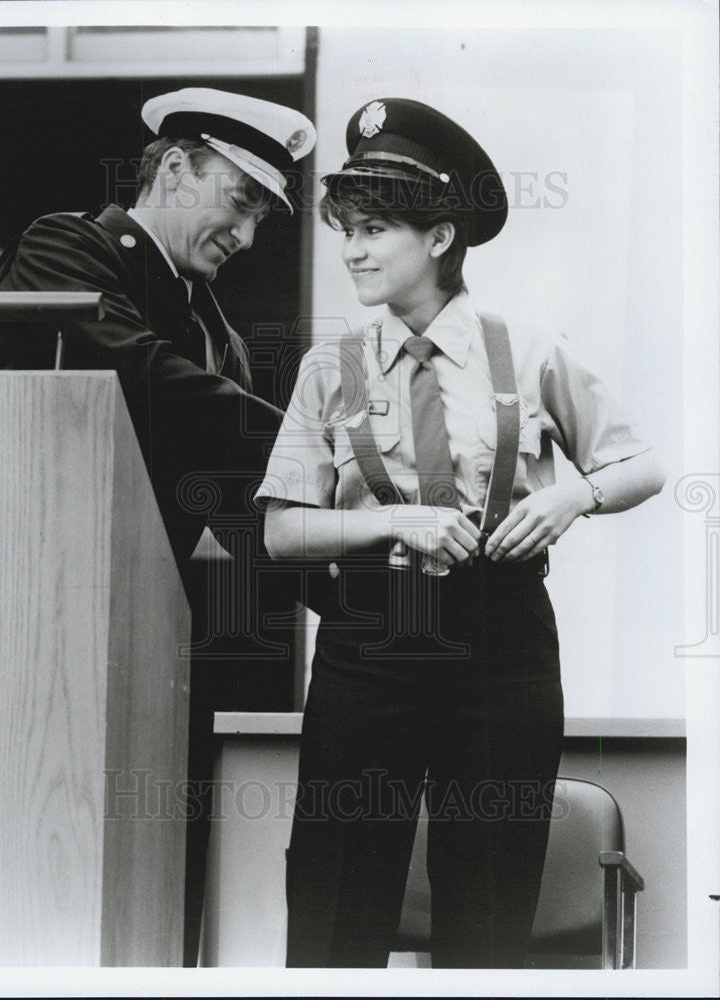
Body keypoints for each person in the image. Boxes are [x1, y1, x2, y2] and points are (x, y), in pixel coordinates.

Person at [256, 97, 665, 968]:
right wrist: (393, 520)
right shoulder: (329, 365)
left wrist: (570, 499)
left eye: (374, 229)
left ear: (439, 238)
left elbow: (640, 466)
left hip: (501, 645)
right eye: (347, 230)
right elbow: (282, 535)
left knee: (487, 898)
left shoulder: (529, 348)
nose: (353, 250)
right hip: (367, 644)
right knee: (336, 897)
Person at [0, 86, 316, 964]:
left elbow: (258, 523)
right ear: (173, 167)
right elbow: (135, 371)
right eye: (239, 203)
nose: (244, 239)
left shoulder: (220, 339)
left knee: (163, 908)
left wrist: (382, 574)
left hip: (152, 654)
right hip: (35, 642)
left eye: (259, 221)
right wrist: (319, 445)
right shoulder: (69, 245)